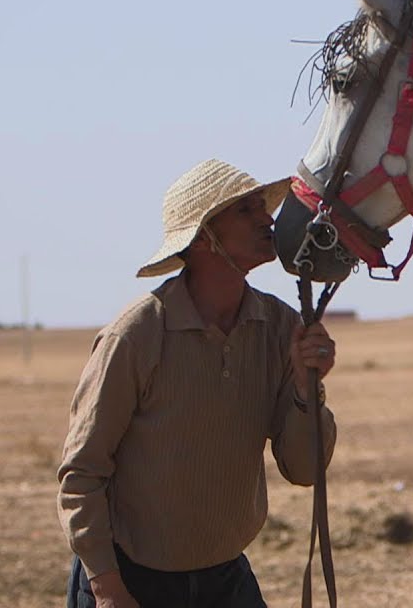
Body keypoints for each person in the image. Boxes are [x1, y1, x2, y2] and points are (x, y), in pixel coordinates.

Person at [57, 159, 338, 608]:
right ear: (204, 237)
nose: (267, 219)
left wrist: (309, 389)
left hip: (225, 580)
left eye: (260, 207)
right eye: (246, 210)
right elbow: (81, 474)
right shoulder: (137, 334)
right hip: (128, 580)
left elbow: (304, 471)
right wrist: (108, 589)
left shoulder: (281, 327)